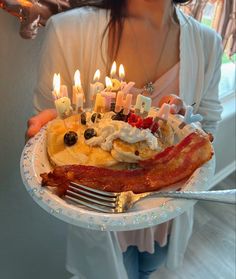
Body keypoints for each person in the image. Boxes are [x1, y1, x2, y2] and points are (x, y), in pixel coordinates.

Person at [26, 1, 223, 278]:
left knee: (148, 270)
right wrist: (55, 130)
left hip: (165, 219)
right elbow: (51, 131)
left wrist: (186, 119)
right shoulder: (68, 31)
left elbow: (208, 128)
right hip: (99, 218)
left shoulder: (208, 43)